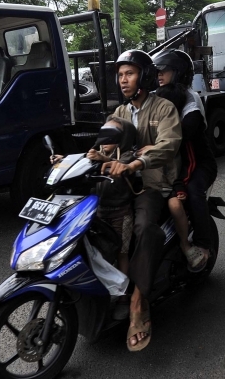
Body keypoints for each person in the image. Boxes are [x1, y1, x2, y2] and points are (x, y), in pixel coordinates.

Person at [102, 49, 182, 351]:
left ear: (144, 76)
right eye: (120, 75)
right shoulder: (120, 113)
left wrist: (136, 163)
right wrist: (80, 157)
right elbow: (106, 142)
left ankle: (138, 301)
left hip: (151, 185)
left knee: (146, 228)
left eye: (129, 74)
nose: (123, 80)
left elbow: (168, 145)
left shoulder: (163, 109)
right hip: (120, 187)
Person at [152, 49, 217, 272]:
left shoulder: (191, 99)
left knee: (193, 190)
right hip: (169, 161)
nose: (159, 74)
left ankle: (203, 246)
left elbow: (185, 132)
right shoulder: (157, 94)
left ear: (178, 72)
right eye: (157, 71)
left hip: (197, 163)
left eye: (164, 70)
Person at [85, 117, 137, 320]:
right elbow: (79, 161)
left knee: (122, 254)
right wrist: (63, 160)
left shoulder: (127, 154)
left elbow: (122, 166)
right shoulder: (97, 153)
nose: (105, 140)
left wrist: (103, 160)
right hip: (99, 212)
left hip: (120, 213)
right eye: (103, 134)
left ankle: (124, 297)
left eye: (111, 135)